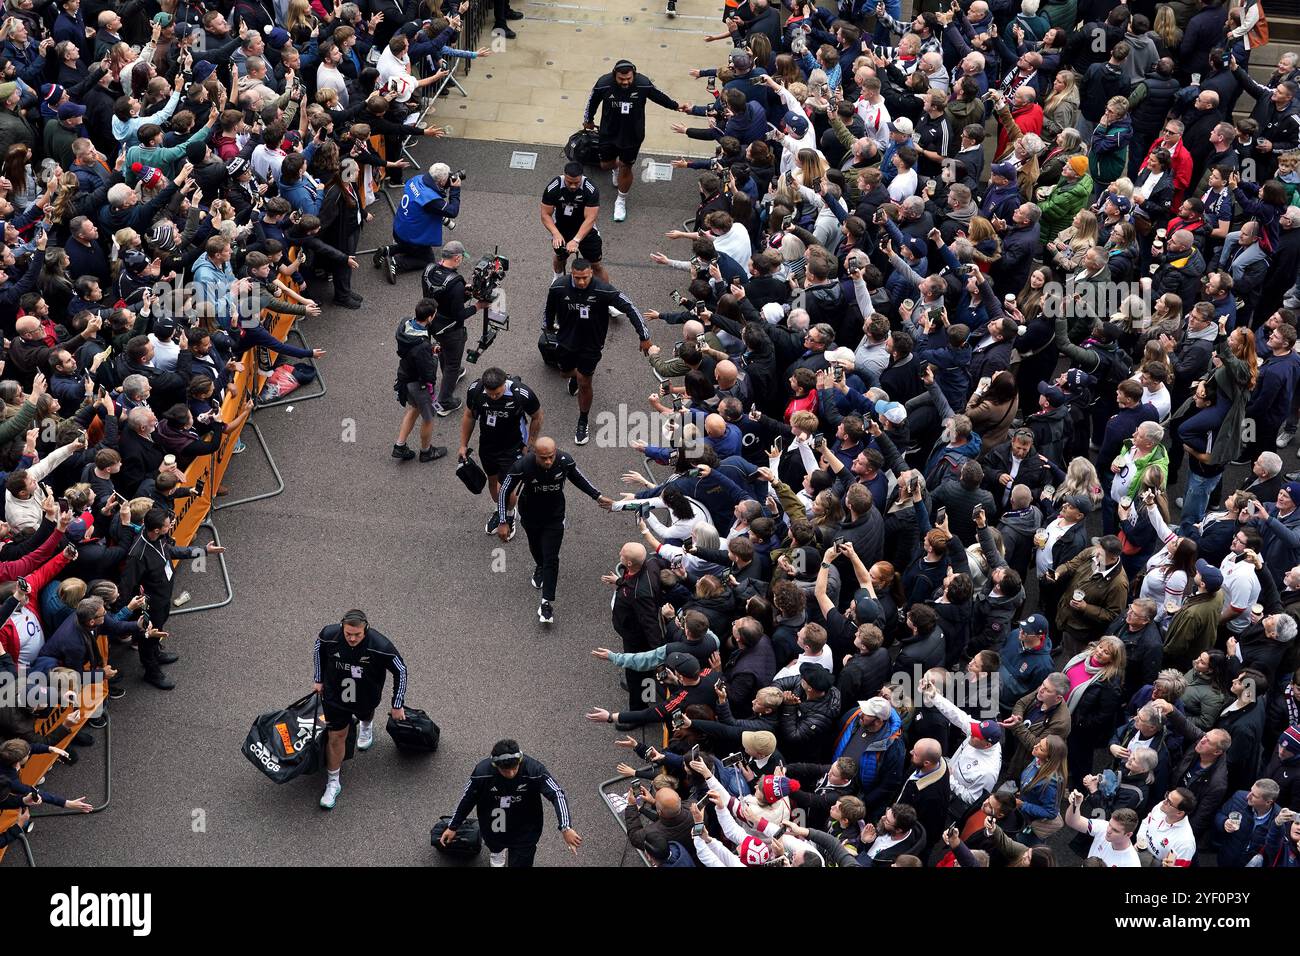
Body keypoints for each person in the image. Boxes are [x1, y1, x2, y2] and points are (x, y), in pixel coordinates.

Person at [496, 437, 613, 624]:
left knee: (551, 557)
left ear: (556, 451)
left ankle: (546, 603)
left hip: (555, 517)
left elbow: (578, 478)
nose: (548, 461)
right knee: (536, 549)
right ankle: (539, 567)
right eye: (543, 458)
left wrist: (597, 496)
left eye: (551, 456)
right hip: (530, 515)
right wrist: (503, 520)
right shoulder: (522, 466)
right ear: (535, 455)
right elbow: (504, 491)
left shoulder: (564, 461)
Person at [541, 259, 652, 445]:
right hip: (566, 342)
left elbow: (629, 307)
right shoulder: (558, 287)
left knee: (585, 382)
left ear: (591, 273)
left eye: (585, 277)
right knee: (564, 373)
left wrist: (644, 336)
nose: (582, 282)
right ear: (571, 274)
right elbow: (548, 311)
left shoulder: (603, 290)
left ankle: (582, 419)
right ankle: (575, 376)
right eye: (577, 278)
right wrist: (548, 328)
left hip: (591, 346)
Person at [312, 609, 409, 810]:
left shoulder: (380, 646)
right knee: (336, 736)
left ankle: (366, 725)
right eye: (348, 634)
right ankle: (333, 782)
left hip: (365, 696)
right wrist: (318, 678)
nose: (353, 638)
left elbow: (400, 669)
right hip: (335, 697)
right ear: (342, 628)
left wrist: (397, 704)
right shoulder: (330, 636)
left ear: (366, 629)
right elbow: (318, 647)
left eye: (357, 634)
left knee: (365, 713)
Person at [119, 508, 224, 691]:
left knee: (160, 625)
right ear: (157, 529)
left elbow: (172, 551)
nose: (171, 525)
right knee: (148, 636)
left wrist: (203, 551)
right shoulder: (138, 554)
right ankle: (151, 671)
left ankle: (156, 652)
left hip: (163, 596)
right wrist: (135, 607)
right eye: (168, 525)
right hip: (150, 602)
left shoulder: (159, 538)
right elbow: (127, 585)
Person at [440, 738, 581, 867]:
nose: (511, 774)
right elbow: (467, 799)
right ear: (495, 765)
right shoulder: (481, 772)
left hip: (526, 826)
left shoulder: (534, 770)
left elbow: (557, 794)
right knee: (494, 843)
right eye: (506, 771)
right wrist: (453, 826)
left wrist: (566, 827)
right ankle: (497, 851)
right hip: (496, 820)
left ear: (519, 760)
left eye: (515, 768)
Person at [583, 60, 683, 222]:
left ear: (633, 75)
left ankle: (621, 199)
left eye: (628, 78)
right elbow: (592, 102)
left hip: (632, 135)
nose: (625, 82)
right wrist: (588, 119)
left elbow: (659, 96)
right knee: (605, 165)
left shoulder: (643, 84)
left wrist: (676, 106)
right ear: (614, 75)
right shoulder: (603, 83)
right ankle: (616, 168)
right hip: (608, 133)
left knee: (626, 166)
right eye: (621, 79)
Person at [462, 367, 545, 536]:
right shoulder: (476, 390)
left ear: (504, 384)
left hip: (513, 448)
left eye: (497, 394)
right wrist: (463, 444)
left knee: (507, 488)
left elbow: (537, 416)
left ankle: (509, 514)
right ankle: (500, 509)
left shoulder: (520, 393)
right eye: (490, 393)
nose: (493, 397)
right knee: (493, 482)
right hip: (487, 446)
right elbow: (469, 416)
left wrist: (530, 444)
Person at [422, 241, 491, 417]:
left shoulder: (429, 269)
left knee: (445, 353)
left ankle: (450, 374)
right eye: (461, 258)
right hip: (451, 330)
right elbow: (459, 315)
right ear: (457, 258)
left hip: (432, 322)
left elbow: (437, 296)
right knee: (452, 363)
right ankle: (445, 402)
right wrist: (478, 306)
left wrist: (463, 292)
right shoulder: (455, 283)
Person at [376, 163, 461, 281]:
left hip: (399, 227)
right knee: (427, 259)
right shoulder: (431, 200)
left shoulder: (417, 179)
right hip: (410, 236)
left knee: (413, 248)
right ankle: (396, 262)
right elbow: (452, 211)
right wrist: (455, 190)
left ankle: (388, 250)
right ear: (441, 181)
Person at [391, 299, 447, 463]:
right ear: (429, 318)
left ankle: (400, 445)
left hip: (405, 377)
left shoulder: (405, 324)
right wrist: (434, 356)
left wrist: (429, 349)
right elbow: (428, 373)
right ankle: (426, 451)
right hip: (419, 385)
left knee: (414, 408)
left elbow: (413, 351)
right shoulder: (422, 346)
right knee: (428, 418)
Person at [541, 161, 608, 282]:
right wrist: (555, 233)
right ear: (564, 176)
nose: (572, 186)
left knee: (596, 265)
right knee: (560, 257)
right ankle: (557, 279)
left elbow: (590, 218)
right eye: (569, 182)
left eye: (576, 183)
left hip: (586, 229)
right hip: (561, 228)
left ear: (581, 177)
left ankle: (608, 294)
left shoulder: (590, 189)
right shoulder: (554, 187)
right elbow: (545, 214)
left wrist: (576, 240)